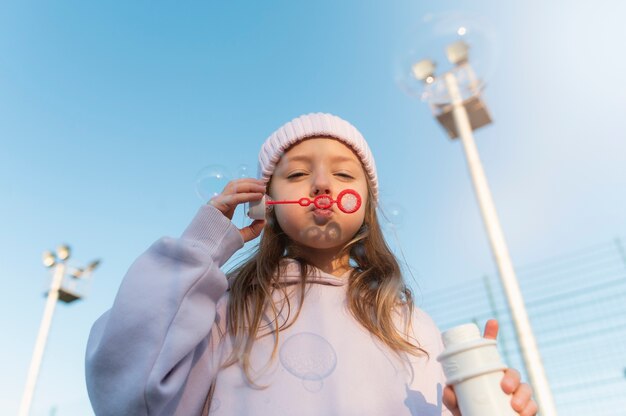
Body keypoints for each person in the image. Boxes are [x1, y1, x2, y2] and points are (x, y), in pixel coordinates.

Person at [86, 113, 536, 415]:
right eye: (298, 173)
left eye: (343, 174)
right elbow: (130, 392)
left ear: (365, 204)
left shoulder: (414, 326)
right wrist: (201, 245)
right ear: (268, 205)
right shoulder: (228, 307)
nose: (322, 183)